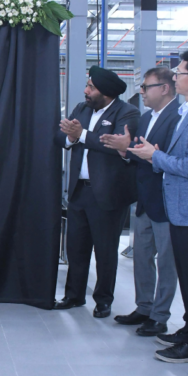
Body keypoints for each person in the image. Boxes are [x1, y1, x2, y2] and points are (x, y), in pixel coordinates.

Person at [128, 48, 188, 363]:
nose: (176, 77)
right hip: (181, 207)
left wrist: (153, 155)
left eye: (180, 72)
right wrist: (156, 153)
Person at [54, 66, 139, 318]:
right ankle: (73, 295)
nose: (86, 91)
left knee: (105, 251)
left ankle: (103, 300)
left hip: (108, 194)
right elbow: (61, 137)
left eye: (90, 87)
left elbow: (114, 145)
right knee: (76, 248)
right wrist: (70, 138)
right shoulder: (82, 109)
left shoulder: (128, 113)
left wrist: (81, 135)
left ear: (106, 91)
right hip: (80, 192)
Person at [101, 67, 181, 337]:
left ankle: (160, 316)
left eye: (146, 87)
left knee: (166, 261)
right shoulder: (147, 118)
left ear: (166, 88)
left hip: (167, 200)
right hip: (145, 198)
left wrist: (146, 153)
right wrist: (125, 148)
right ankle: (144, 307)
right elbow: (139, 152)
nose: (142, 92)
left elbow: (171, 157)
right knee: (142, 256)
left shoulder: (178, 117)